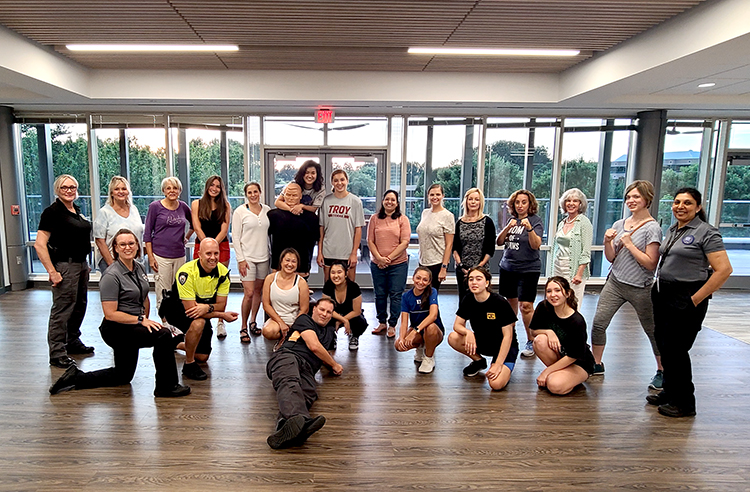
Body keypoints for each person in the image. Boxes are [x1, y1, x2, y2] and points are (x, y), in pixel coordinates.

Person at [49, 229, 190, 398]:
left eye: (131, 243)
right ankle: (166, 386)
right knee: (163, 336)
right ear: (115, 248)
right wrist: (140, 320)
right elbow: (110, 314)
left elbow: (144, 296)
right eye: (122, 244)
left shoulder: (138, 267)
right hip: (116, 329)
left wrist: (145, 319)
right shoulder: (111, 275)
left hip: (133, 325)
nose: (127, 247)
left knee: (123, 375)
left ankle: (76, 377)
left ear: (137, 246)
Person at [648, 188, 732, 418]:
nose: (680, 207)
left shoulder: (707, 232)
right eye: (677, 202)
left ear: (698, 207)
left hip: (686, 297)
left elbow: (724, 270)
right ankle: (670, 391)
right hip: (663, 293)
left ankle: (685, 403)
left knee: (677, 350)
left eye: (687, 203)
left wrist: (694, 299)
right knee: (665, 346)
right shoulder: (674, 229)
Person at [591, 180, 663, 389]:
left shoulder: (652, 228)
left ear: (647, 199)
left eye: (636, 197)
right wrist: (607, 242)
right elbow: (612, 257)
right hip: (615, 282)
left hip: (641, 287)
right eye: (629, 197)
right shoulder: (619, 224)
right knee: (599, 323)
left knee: (651, 330)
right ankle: (596, 363)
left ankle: (661, 370)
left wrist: (630, 245)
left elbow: (651, 264)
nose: (631, 201)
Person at [266, 298, 343, 449]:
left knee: (308, 393)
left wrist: (331, 366)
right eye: (322, 310)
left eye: (329, 312)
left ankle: (285, 429)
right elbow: (314, 346)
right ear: (314, 309)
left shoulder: (329, 332)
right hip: (287, 356)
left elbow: (324, 355)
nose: (324, 314)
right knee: (290, 382)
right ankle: (300, 420)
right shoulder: (304, 319)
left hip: (308, 368)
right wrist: (335, 365)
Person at [35, 174, 95, 368]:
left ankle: (72, 341)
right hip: (65, 266)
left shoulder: (75, 210)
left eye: (72, 187)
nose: (69, 190)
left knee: (79, 306)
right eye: (64, 187)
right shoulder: (52, 212)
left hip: (81, 265)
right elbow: (39, 245)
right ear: (57, 190)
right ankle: (57, 352)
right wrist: (52, 272)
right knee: (62, 310)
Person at [159, 238, 238, 381]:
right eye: (208, 254)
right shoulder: (186, 273)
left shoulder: (223, 273)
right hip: (176, 309)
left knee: (203, 356)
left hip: (203, 309)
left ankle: (175, 343)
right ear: (199, 254)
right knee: (198, 323)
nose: (213, 258)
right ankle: (189, 365)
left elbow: (221, 304)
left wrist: (207, 307)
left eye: (216, 253)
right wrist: (222, 315)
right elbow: (192, 311)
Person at [447, 266, 518, 391]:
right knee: (453, 337)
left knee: (495, 384)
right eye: (471, 279)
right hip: (482, 342)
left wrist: (498, 364)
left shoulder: (500, 302)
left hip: (504, 347)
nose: (474, 282)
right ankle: (479, 361)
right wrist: (467, 332)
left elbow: (508, 336)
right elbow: (457, 325)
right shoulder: (468, 299)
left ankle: (502, 366)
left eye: (478, 279)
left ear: (486, 283)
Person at [496, 189, 543, 358]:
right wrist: (507, 227)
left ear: (530, 204)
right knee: (510, 304)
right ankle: (510, 338)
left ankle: (531, 340)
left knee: (526, 306)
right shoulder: (511, 220)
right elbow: (499, 242)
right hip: (508, 267)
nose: (520, 205)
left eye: (524, 202)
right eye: (517, 202)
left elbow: (536, 245)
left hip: (529, 269)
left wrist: (529, 229)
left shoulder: (536, 221)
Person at [530, 277, 595, 395]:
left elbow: (573, 356)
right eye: (549, 291)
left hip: (579, 362)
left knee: (554, 386)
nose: (552, 295)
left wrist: (546, 372)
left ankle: (567, 377)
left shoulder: (577, 321)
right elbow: (533, 332)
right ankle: (561, 375)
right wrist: (549, 332)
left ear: (567, 293)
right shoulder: (543, 307)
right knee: (540, 340)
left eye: (557, 290)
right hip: (560, 355)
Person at [191, 175, 231, 339]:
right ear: (207, 187)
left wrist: (214, 246)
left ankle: (220, 322)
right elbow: (196, 226)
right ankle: (199, 320)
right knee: (198, 283)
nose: (215, 188)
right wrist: (207, 244)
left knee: (220, 285)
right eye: (212, 185)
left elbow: (224, 229)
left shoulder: (226, 205)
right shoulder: (197, 204)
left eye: (218, 186)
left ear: (221, 189)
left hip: (221, 246)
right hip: (201, 244)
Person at [144, 177, 193, 309]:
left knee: (177, 289)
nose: (172, 191)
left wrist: (186, 237)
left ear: (179, 191)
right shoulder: (155, 207)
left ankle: (175, 320)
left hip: (179, 255)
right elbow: (147, 233)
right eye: (169, 188)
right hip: (161, 255)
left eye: (175, 188)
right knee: (163, 290)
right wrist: (150, 257)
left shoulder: (183, 207)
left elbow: (194, 224)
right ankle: (165, 322)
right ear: (164, 191)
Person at [367, 190, 411, 338]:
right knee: (379, 294)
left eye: (393, 200)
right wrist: (379, 258)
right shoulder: (374, 219)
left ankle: (392, 325)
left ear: (397, 203)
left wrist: (388, 258)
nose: (389, 202)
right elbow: (370, 241)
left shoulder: (402, 219)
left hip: (398, 264)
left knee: (396, 295)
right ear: (383, 201)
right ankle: (382, 322)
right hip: (377, 264)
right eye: (387, 199)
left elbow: (405, 242)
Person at [232, 182, 270, 343]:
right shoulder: (240, 212)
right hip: (247, 259)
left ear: (260, 192)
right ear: (246, 194)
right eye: (249, 192)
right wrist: (240, 259)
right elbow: (235, 237)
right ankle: (243, 327)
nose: (253, 194)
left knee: (258, 292)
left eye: (255, 191)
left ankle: (253, 321)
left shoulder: (267, 210)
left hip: (264, 257)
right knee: (248, 293)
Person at [318, 169, 366, 282]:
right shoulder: (326, 201)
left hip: (347, 252)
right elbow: (321, 229)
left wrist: (354, 252)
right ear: (332, 183)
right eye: (336, 180)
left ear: (347, 181)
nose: (339, 183)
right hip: (329, 251)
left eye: (342, 179)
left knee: (349, 288)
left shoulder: (355, 202)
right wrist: (320, 252)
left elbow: (358, 229)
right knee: (329, 287)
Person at [395, 266, 444, 374]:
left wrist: (415, 331)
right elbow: (404, 321)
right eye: (418, 278)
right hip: (417, 330)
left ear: (429, 282)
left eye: (425, 280)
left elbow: (433, 316)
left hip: (434, 331)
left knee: (430, 327)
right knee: (398, 345)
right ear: (413, 278)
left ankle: (428, 357)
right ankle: (421, 347)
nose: (421, 282)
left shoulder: (432, 292)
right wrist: (402, 338)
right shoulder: (406, 296)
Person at [452, 188, 496, 301]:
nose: (473, 202)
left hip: (481, 269)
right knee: (464, 301)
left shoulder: (487, 221)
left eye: (476, 199)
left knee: (481, 300)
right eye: (470, 199)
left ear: (480, 202)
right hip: (463, 270)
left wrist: (478, 268)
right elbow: (455, 248)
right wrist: (461, 266)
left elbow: (490, 249)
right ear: (466, 201)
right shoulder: (460, 222)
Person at [261, 248, 310, 348]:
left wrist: (294, 326)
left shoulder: (301, 282)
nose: (290, 264)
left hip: (295, 320)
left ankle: (287, 339)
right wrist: (281, 323)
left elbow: (304, 309)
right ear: (281, 261)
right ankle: (283, 337)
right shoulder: (270, 279)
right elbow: (266, 305)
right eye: (287, 260)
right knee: (267, 331)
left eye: (293, 261)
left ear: (297, 264)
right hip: (276, 319)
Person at [267, 183, 319, 277]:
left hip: (302, 264)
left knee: (300, 290)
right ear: (283, 196)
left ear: (300, 196)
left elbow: (316, 240)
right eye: (288, 195)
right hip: (279, 263)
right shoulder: (273, 215)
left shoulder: (311, 218)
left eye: (294, 195)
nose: (291, 198)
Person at [93, 176, 144, 273]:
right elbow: (99, 241)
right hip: (113, 261)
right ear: (111, 193)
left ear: (128, 192)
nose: (121, 191)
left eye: (124, 189)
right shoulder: (104, 212)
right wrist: (112, 264)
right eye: (116, 189)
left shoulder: (134, 209)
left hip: (134, 260)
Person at [551, 188, 593, 304]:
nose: (571, 203)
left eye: (575, 201)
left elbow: (586, 251)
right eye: (568, 200)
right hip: (558, 266)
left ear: (580, 204)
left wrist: (579, 273)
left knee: (573, 302)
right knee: (558, 300)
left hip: (573, 269)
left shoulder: (584, 223)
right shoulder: (562, 222)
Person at [416, 183, 455, 291]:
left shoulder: (447, 216)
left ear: (443, 196)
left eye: (438, 194)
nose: (435, 197)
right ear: (428, 196)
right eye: (432, 194)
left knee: (431, 295)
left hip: (436, 263)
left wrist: (444, 267)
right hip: (423, 261)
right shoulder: (425, 213)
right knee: (422, 295)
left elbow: (449, 244)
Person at [322, 260, 367, 351]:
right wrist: (342, 320)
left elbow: (357, 311)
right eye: (333, 273)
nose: (336, 276)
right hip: (333, 315)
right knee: (324, 318)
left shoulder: (354, 287)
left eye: (339, 272)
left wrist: (341, 321)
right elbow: (326, 308)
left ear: (346, 274)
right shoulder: (328, 286)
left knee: (360, 321)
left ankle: (354, 336)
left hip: (351, 315)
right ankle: (331, 336)